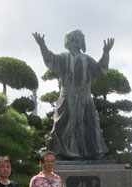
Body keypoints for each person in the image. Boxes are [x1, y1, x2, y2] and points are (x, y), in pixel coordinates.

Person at [33, 30, 114, 160]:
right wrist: (42, 45)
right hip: (67, 98)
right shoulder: (63, 57)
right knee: (61, 126)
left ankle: (93, 154)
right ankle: (60, 153)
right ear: (73, 40)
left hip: (85, 98)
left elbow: (100, 69)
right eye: (81, 38)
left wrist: (106, 52)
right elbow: (50, 58)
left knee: (90, 126)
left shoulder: (86, 59)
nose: (83, 41)